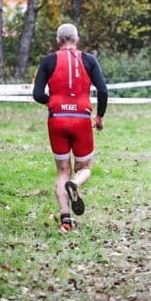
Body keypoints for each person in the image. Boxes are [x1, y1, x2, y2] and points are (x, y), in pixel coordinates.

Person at [32, 23, 109, 233]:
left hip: (57, 119)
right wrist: (99, 116)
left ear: (58, 41)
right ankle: (75, 183)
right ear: (77, 39)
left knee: (61, 171)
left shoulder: (48, 61)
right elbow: (103, 91)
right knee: (84, 168)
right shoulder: (89, 60)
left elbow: (37, 94)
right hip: (82, 118)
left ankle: (66, 220)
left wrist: (53, 102)